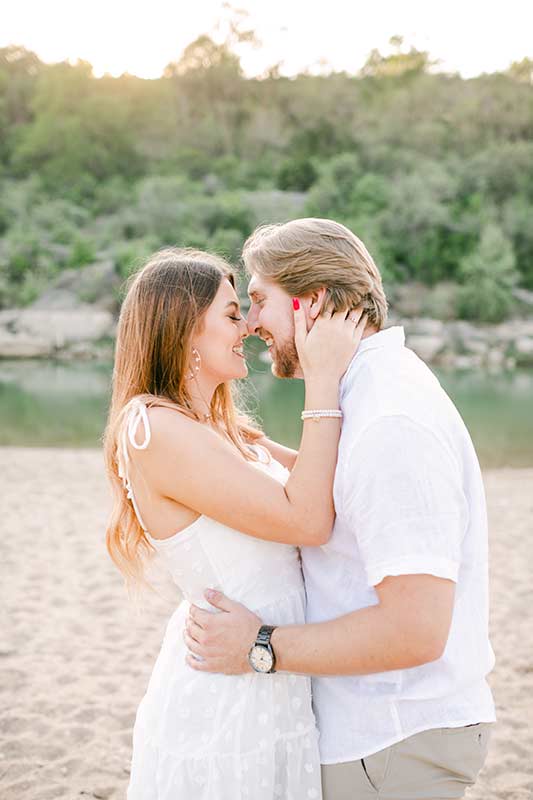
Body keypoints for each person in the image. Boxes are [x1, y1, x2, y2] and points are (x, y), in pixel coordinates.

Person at [183, 219, 497, 800]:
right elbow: (345, 494)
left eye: (259, 301)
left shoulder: (390, 419)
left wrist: (259, 646)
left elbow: (417, 629)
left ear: (314, 301)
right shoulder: (368, 392)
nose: (250, 326)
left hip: (395, 740)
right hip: (386, 736)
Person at [103, 246, 367, 799]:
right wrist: (321, 379)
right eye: (230, 314)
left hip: (272, 681)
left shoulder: (229, 432)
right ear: (182, 330)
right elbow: (309, 518)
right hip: (224, 699)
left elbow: (335, 487)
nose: (247, 326)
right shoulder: (154, 428)